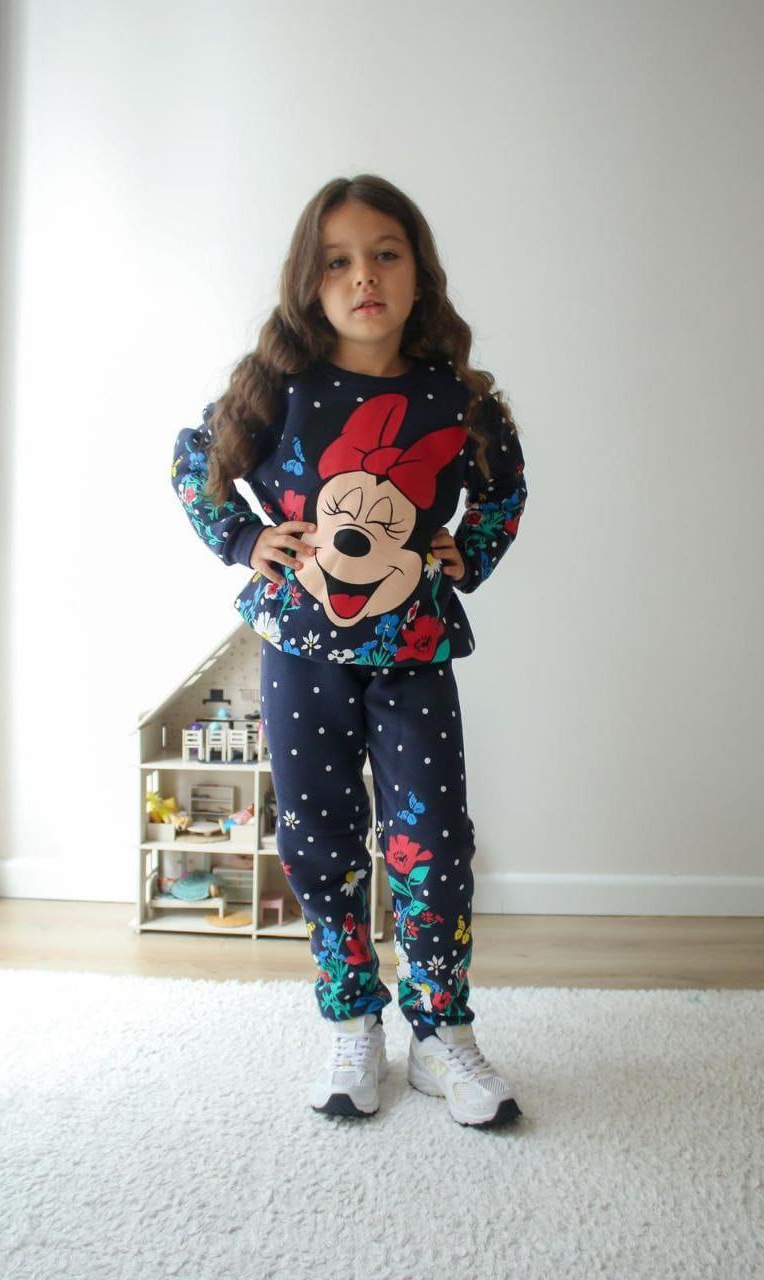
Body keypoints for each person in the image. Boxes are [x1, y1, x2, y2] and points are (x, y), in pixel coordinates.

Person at [171, 174, 527, 1129]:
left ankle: (441, 1032)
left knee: (433, 845)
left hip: (413, 654)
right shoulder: (277, 391)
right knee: (319, 840)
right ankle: (352, 1020)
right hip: (301, 654)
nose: (362, 276)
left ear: (418, 273)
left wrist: (470, 550)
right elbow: (193, 459)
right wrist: (245, 540)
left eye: (384, 255)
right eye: (337, 261)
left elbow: (503, 489)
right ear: (309, 281)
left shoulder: (456, 399)